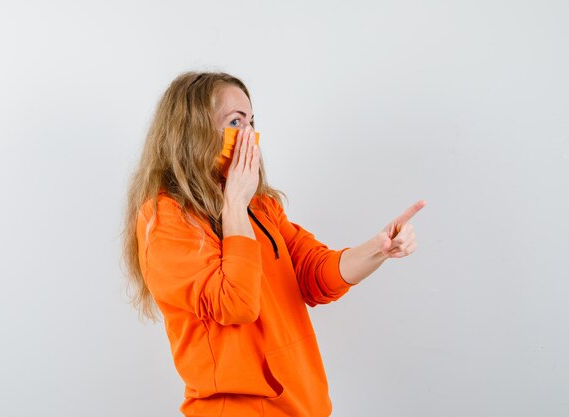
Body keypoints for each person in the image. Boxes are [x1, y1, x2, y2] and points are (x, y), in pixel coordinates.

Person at [122, 71, 426, 417]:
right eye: (235, 121)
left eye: (252, 121)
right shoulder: (165, 218)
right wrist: (234, 205)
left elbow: (315, 275)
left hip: (302, 406)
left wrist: (378, 248)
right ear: (191, 130)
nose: (249, 135)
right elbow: (236, 304)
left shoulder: (262, 207)